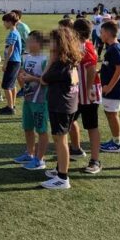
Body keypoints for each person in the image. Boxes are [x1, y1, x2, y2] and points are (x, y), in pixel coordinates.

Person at [39, 27, 81, 190]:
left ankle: (63, 177)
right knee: (59, 138)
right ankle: (59, 169)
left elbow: (43, 79)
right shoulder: (70, 60)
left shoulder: (60, 64)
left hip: (61, 106)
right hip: (68, 105)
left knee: (60, 139)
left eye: (52, 41)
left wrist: (51, 59)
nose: (49, 44)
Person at [70, 18, 103, 174]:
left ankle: (95, 160)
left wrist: (88, 89)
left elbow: (91, 70)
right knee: (68, 121)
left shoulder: (85, 47)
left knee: (91, 126)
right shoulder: (80, 45)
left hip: (87, 94)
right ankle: (75, 149)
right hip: (78, 93)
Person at [15, 31, 50, 171]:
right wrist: (22, 75)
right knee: (28, 127)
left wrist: (32, 78)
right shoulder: (28, 57)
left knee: (41, 130)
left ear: (38, 43)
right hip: (28, 98)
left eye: (30, 41)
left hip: (40, 100)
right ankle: (29, 153)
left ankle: (40, 159)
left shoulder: (45, 60)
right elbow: (24, 72)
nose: (27, 43)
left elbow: (46, 81)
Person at [99, 20, 120, 153]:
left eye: (101, 32)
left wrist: (110, 86)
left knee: (112, 114)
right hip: (110, 87)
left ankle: (118, 143)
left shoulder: (115, 48)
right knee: (109, 113)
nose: (100, 34)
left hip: (114, 88)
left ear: (107, 33)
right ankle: (115, 140)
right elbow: (110, 65)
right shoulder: (113, 47)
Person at [0, 12, 22, 115]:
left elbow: (11, 48)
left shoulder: (13, 33)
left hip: (12, 61)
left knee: (6, 85)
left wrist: (5, 63)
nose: (4, 24)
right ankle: (12, 104)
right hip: (16, 61)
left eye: (4, 22)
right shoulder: (16, 32)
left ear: (9, 22)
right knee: (12, 85)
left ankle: (10, 108)